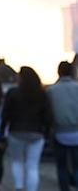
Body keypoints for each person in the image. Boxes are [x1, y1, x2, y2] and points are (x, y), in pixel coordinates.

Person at [0, 66, 50, 191]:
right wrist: (46, 134)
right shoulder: (41, 94)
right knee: (32, 166)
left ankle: (19, 187)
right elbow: (47, 116)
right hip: (36, 133)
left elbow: (5, 116)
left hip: (16, 132)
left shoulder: (12, 93)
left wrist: (1, 136)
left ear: (21, 77)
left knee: (17, 162)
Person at [46, 61, 78, 191]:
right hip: (76, 131)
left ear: (58, 72)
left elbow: (48, 113)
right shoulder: (76, 88)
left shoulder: (51, 90)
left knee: (62, 167)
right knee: (77, 166)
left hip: (59, 131)